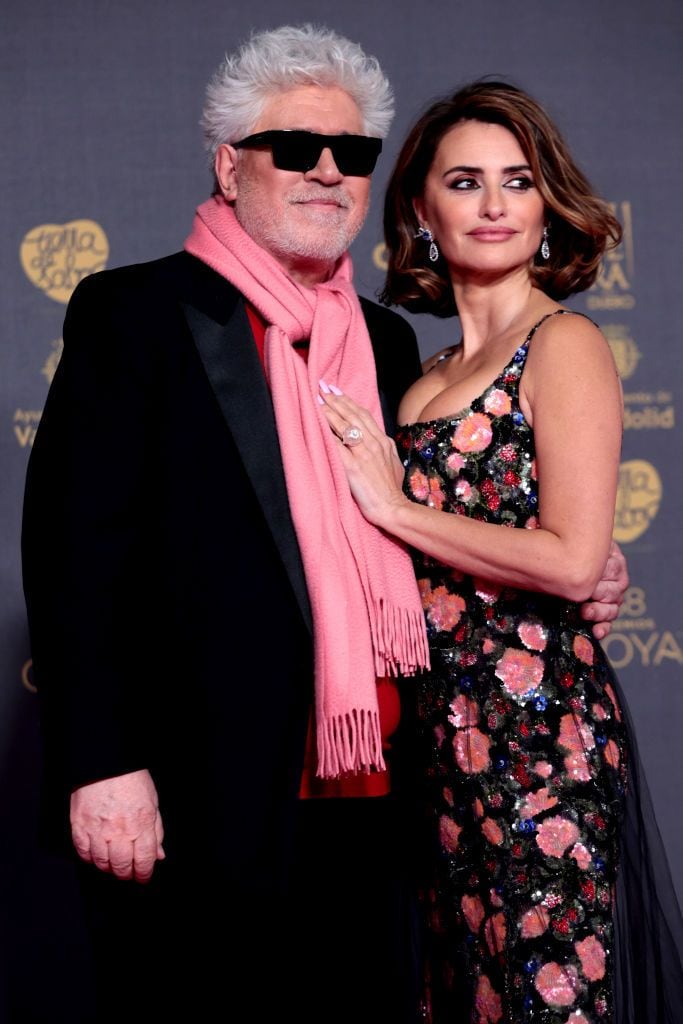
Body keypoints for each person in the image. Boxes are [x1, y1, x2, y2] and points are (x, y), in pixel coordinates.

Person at [21, 29, 627, 1023]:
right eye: (293, 145)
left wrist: (581, 566)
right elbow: (73, 553)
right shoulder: (137, 312)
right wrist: (100, 763)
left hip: (387, 805)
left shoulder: (387, 344)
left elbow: (454, 523)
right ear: (228, 163)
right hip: (196, 799)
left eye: (349, 153)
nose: (324, 170)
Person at [319, 81, 683, 1022]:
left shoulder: (561, 345)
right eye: (465, 181)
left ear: (546, 205)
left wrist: (398, 509)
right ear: (420, 211)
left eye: (517, 182)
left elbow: (568, 560)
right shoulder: (413, 374)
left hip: (539, 740)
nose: (492, 205)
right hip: (435, 748)